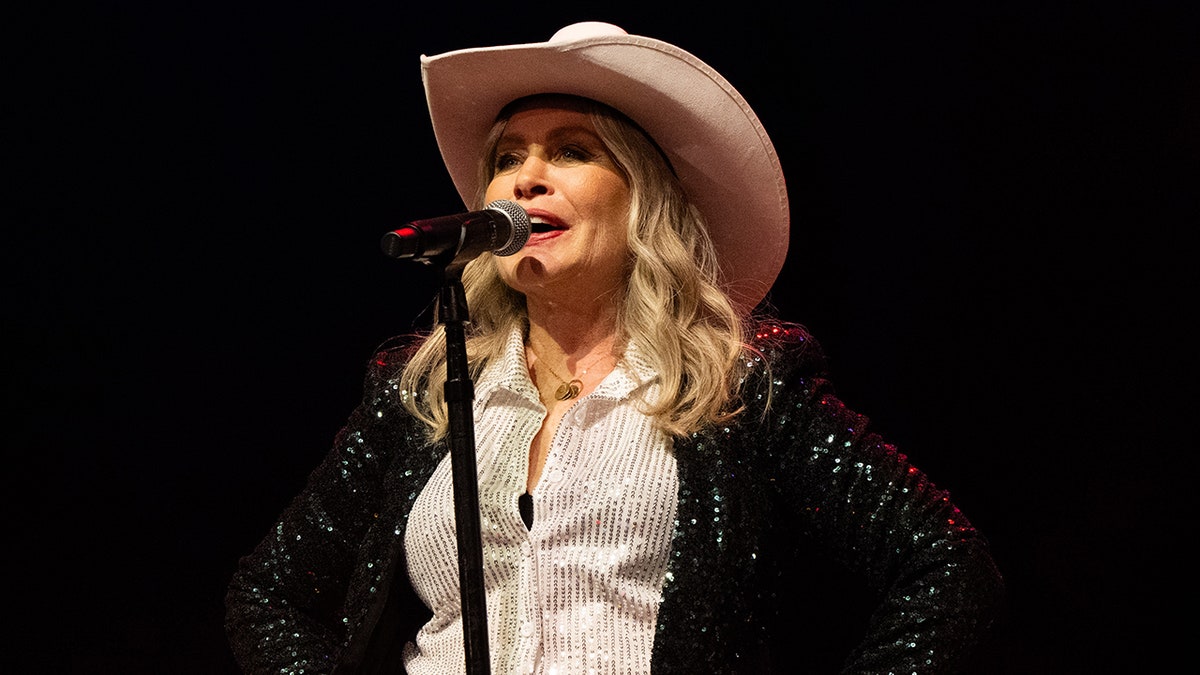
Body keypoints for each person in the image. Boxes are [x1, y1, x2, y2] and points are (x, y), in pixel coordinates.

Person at [225, 21, 1004, 674]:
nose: (525, 178)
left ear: (643, 198)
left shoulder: (738, 381)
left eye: (570, 151)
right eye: (506, 158)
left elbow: (947, 567)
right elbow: (268, 592)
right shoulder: (427, 387)